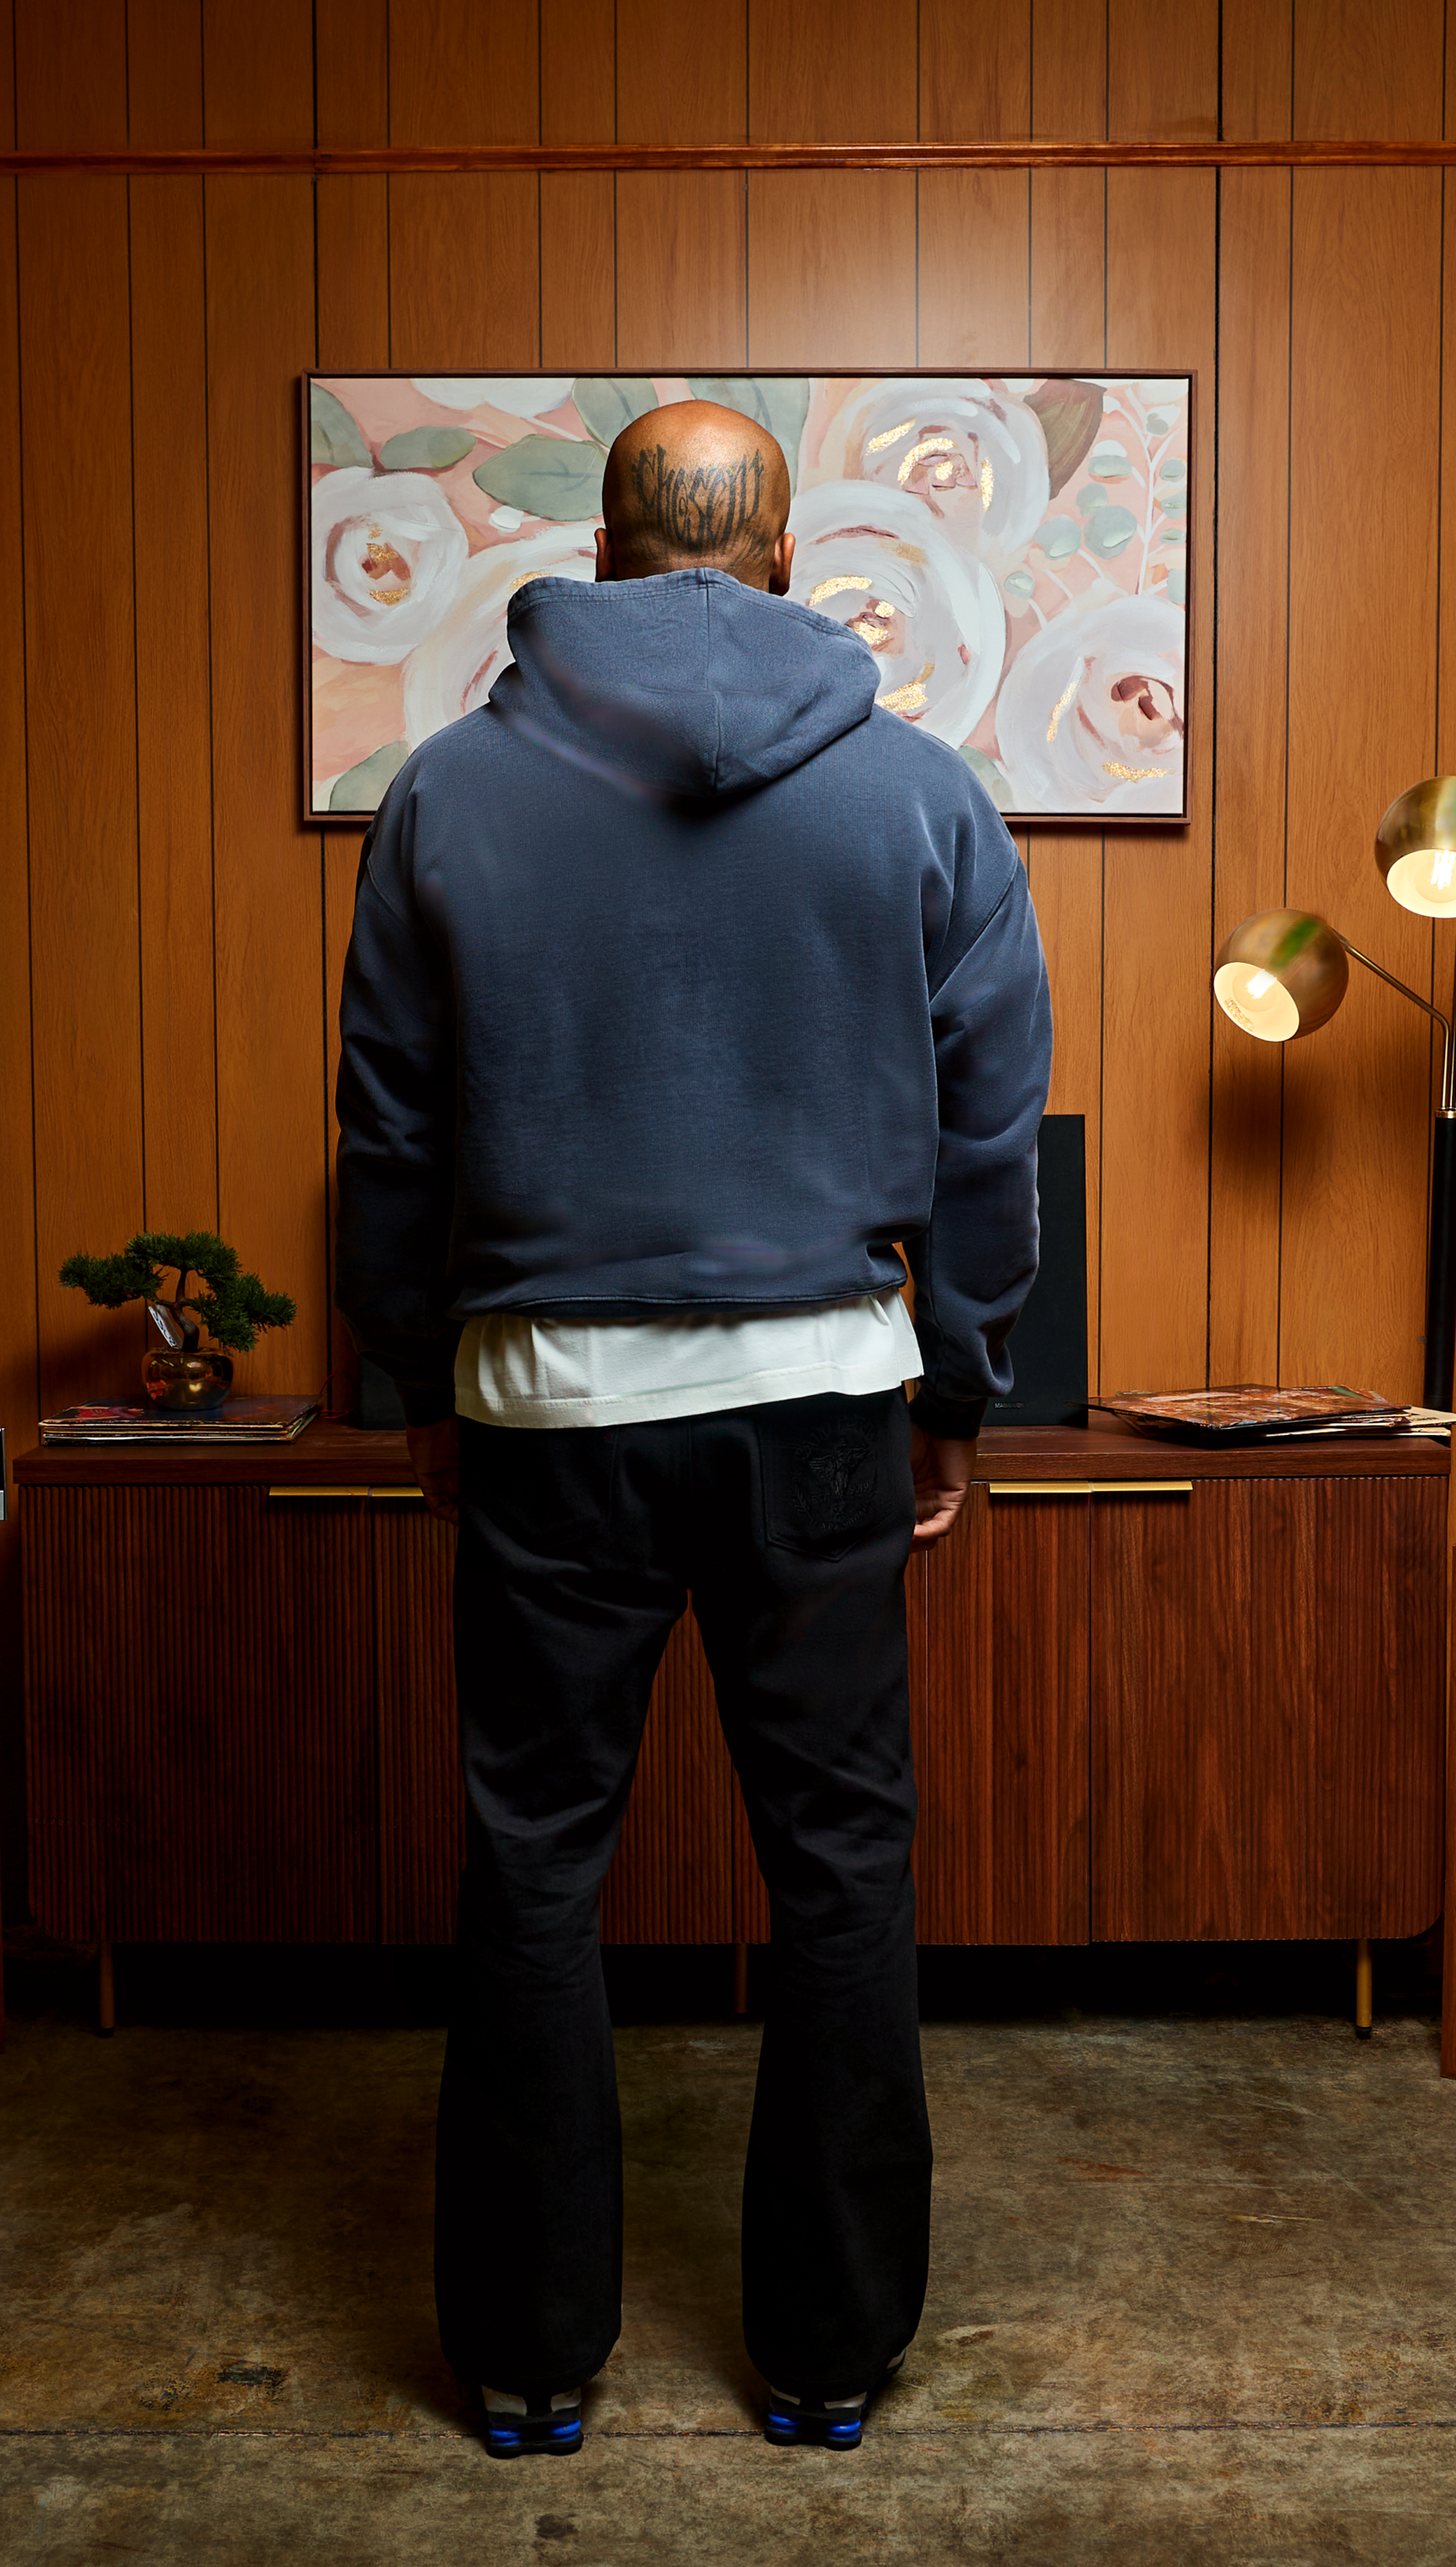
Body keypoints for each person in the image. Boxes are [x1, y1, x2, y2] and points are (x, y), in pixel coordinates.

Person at [335, 399, 1051, 2459]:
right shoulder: (919, 791)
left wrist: (419, 1383)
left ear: (601, 549)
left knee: (530, 1869)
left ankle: (526, 2355)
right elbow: (989, 1133)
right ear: (788, 550)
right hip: (820, 1403)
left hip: (546, 1410)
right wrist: (960, 1390)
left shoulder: (447, 791)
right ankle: (827, 2357)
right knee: (838, 1869)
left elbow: (389, 1128)